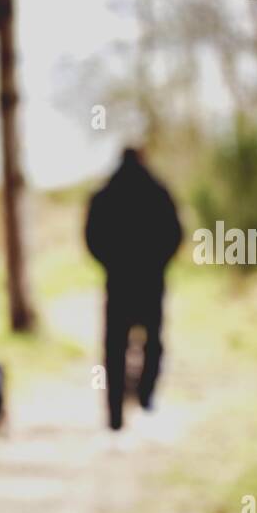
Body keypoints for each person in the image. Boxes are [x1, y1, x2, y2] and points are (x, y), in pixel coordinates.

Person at [84, 147, 182, 431]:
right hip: (151, 281)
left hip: (119, 283)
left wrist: (111, 264)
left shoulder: (104, 194)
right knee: (154, 341)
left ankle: (114, 412)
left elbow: (92, 238)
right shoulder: (159, 192)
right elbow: (175, 234)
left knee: (114, 347)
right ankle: (146, 394)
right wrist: (158, 262)